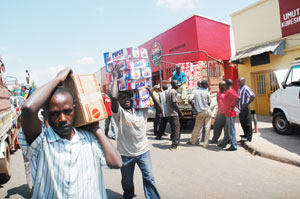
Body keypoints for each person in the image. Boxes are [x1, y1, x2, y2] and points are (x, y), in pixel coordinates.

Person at [18, 68, 122, 198]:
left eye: (67, 111)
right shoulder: (41, 141)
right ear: (45, 115)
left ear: (75, 109)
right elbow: (28, 108)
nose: (62, 119)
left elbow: (117, 163)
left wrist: (97, 129)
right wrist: (58, 79)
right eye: (55, 113)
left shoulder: (88, 137)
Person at [110, 67, 162, 199]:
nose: (126, 99)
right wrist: (115, 77)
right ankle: (128, 195)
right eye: (122, 97)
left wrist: (151, 94)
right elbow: (113, 97)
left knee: (149, 177)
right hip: (125, 154)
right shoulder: (119, 113)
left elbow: (160, 111)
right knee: (127, 181)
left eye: (128, 96)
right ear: (119, 101)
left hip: (143, 152)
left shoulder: (142, 111)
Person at [186, 80, 211, 148]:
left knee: (197, 128)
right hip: (207, 111)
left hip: (199, 112)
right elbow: (209, 102)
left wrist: (194, 107)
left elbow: (189, 99)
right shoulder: (207, 92)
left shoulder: (195, 91)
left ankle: (192, 141)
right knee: (207, 128)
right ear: (205, 85)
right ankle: (206, 144)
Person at [220, 79, 240, 151]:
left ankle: (234, 145)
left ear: (227, 85)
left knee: (231, 129)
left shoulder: (230, 91)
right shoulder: (230, 90)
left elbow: (238, 98)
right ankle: (224, 142)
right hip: (228, 113)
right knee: (227, 128)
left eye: (224, 84)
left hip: (230, 113)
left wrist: (233, 106)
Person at [166, 80, 183, 150]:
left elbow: (167, 101)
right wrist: (180, 112)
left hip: (170, 113)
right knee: (176, 129)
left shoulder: (169, 91)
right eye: (176, 84)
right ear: (172, 84)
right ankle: (174, 144)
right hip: (174, 113)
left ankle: (176, 141)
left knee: (174, 128)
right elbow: (174, 103)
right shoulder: (174, 91)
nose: (177, 85)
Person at [238, 77, 255, 142]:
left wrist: (247, 104)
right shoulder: (239, 89)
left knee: (247, 122)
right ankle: (245, 134)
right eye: (238, 81)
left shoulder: (246, 88)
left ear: (244, 81)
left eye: (240, 81)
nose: (239, 82)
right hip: (240, 108)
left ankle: (249, 137)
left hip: (245, 108)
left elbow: (253, 96)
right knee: (242, 122)